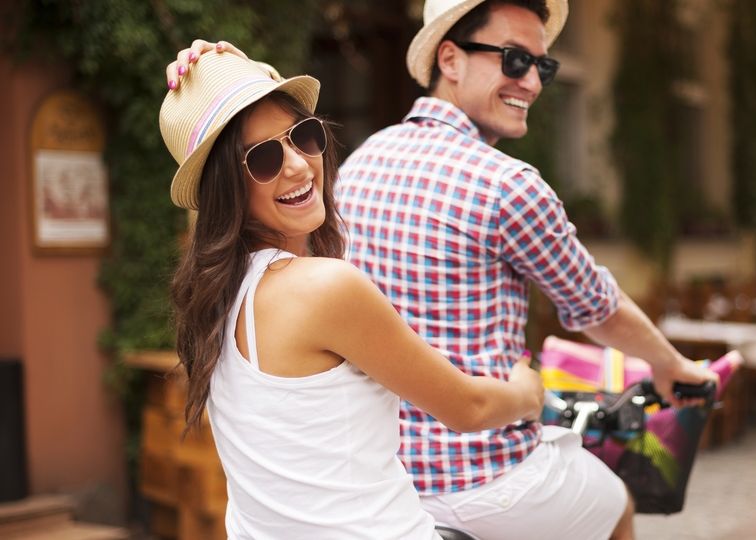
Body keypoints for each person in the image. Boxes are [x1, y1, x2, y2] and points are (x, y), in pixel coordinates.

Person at [166, 2, 718, 538]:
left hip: (394, 478)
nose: (532, 81)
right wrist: (533, 390)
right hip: (476, 473)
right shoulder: (503, 186)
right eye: (514, 59)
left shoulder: (231, 287)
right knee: (615, 503)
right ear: (449, 60)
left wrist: (221, 79)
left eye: (305, 136)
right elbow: (584, 316)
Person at [159, 50, 544, 539]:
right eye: (264, 158)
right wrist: (528, 393)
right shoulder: (323, 287)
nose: (299, 166)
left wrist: (227, 69)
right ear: (224, 188)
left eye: (303, 136)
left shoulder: (217, 301)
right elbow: (468, 408)